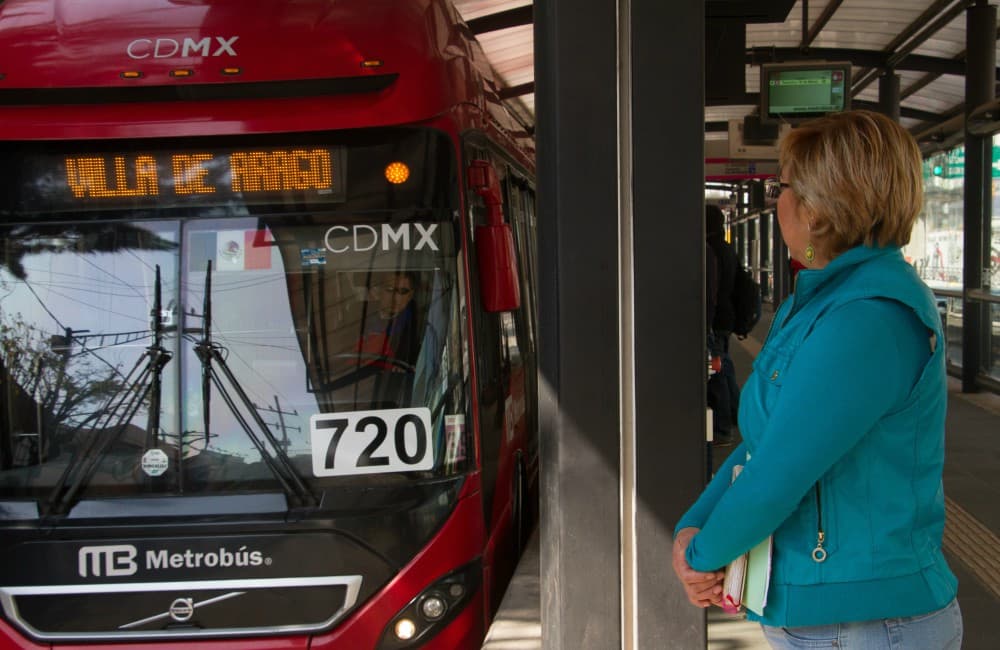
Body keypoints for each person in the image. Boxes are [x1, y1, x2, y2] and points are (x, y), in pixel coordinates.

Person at [672, 110, 962, 649]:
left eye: (782, 188)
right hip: (841, 618)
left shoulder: (868, 319)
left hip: (869, 625)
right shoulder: (827, 302)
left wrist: (699, 557)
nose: (776, 202)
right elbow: (767, 444)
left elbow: (780, 472)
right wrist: (693, 527)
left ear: (820, 207)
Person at [705, 204, 739, 444]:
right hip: (725, 316)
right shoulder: (725, 248)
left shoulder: (710, 250)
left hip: (716, 320)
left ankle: (722, 427)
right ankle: (735, 415)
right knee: (723, 368)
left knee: (717, 372)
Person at [356, 270, 420, 370]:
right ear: (378, 291)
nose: (396, 298)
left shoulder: (418, 323)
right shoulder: (359, 317)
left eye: (403, 291)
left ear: (410, 295)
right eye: (390, 290)